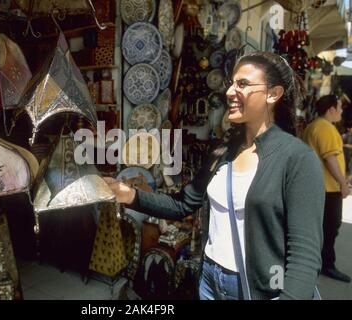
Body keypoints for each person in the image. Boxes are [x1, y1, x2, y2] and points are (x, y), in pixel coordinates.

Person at [104, 52, 325, 300]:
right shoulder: (224, 149)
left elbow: (304, 256)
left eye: (242, 84)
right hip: (209, 279)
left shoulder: (298, 159)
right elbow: (182, 204)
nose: (230, 91)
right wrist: (129, 195)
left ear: (273, 94)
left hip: (256, 288)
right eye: (231, 83)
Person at [302, 95, 351, 283]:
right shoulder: (325, 128)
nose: (341, 111)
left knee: (323, 228)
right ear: (331, 109)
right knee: (330, 228)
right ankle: (326, 265)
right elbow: (330, 159)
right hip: (327, 189)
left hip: (319, 188)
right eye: (339, 107)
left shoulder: (315, 126)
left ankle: (318, 262)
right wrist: (343, 184)